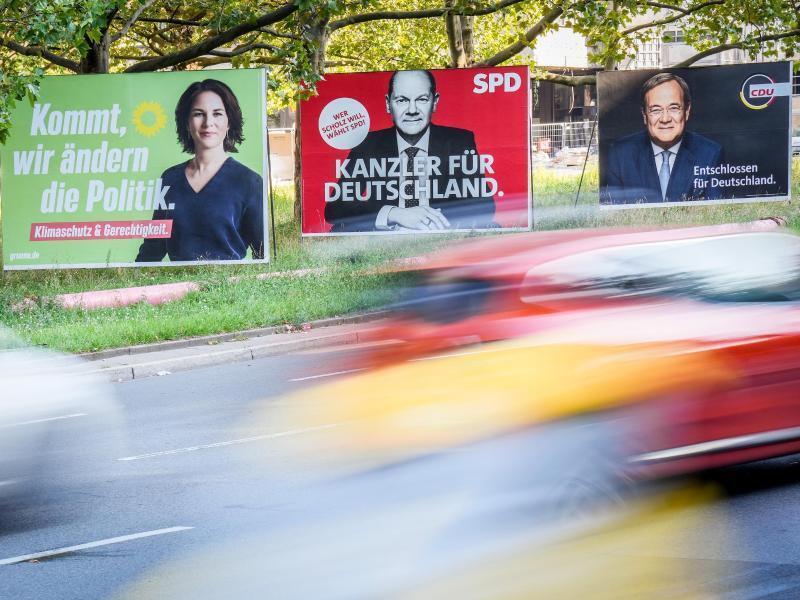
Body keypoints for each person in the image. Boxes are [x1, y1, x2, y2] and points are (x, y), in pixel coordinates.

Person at [324, 69, 496, 232]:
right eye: (402, 100)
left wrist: (429, 220)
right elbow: (334, 209)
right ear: (388, 104)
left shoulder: (458, 141)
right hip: (384, 240)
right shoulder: (367, 144)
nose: (412, 110)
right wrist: (393, 213)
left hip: (438, 237)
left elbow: (485, 206)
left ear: (434, 102)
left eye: (421, 99)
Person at [136, 79, 264, 262]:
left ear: (229, 122)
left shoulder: (249, 182)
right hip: (176, 286)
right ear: (187, 122)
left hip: (228, 285)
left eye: (217, 114)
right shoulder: (169, 179)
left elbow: (262, 253)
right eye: (198, 114)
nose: (208, 122)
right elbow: (153, 248)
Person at [602, 72, 723, 205]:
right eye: (655, 110)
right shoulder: (620, 154)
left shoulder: (710, 153)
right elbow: (614, 213)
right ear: (644, 115)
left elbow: (714, 211)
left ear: (687, 111)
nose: (665, 119)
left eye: (674, 108)